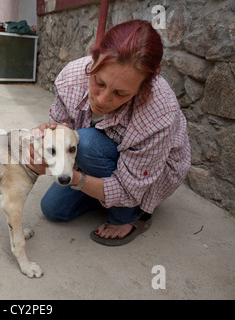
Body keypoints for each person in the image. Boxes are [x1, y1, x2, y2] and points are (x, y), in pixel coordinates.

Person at [26, 20, 191, 246]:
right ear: (93, 62)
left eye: (121, 93)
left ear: (143, 88)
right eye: (98, 82)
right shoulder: (72, 77)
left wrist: (74, 178)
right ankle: (103, 190)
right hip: (100, 161)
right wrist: (45, 140)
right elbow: (59, 127)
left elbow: (129, 188)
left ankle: (133, 216)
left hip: (143, 176)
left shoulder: (158, 109)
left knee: (87, 144)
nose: (102, 100)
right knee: (53, 210)